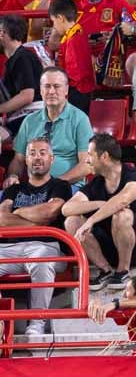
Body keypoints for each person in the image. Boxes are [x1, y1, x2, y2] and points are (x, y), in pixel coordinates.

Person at [62, 133, 136, 291]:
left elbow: (122, 200)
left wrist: (90, 221)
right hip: (112, 247)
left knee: (122, 215)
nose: (86, 160)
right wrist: (100, 204)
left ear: (104, 156)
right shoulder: (97, 183)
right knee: (71, 221)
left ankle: (123, 271)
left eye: (90, 155)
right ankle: (106, 270)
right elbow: (67, 208)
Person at [0, 136, 71, 336]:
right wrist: (36, 221)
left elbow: (50, 213)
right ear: (27, 160)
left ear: (51, 159)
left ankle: (37, 323)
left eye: (42, 153)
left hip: (46, 245)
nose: (37, 158)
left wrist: (17, 212)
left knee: (42, 260)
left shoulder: (60, 186)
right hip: (9, 248)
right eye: (32, 153)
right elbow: (1, 220)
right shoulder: (13, 189)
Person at [5, 67, 91, 189]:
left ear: (66, 90)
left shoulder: (80, 120)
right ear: (40, 90)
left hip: (67, 187)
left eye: (56, 86)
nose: (51, 91)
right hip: (33, 188)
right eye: (47, 86)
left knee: (47, 207)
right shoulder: (29, 121)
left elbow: (87, 164)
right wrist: (13, 175)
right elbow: (18, 160)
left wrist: (55, 183)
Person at [46, 0, 94, 112]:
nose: (54, 27)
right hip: (80, 89)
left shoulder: (73, 39)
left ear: (60, 18)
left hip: (78, 91)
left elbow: (74, 72)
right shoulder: (75, 33)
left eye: (53, 22)